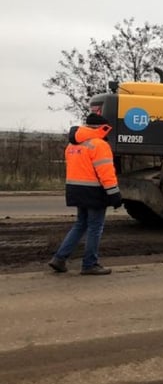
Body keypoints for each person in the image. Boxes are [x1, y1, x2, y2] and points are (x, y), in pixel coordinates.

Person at [48, 113, 122, 276]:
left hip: (76, 190)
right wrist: (114, 194)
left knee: (81, 224)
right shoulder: (99, 145)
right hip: (94, 192)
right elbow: (106, 173)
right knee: (95, 227)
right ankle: (90, 264)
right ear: (102, 128)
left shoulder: (72, 145)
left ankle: (59, 258)